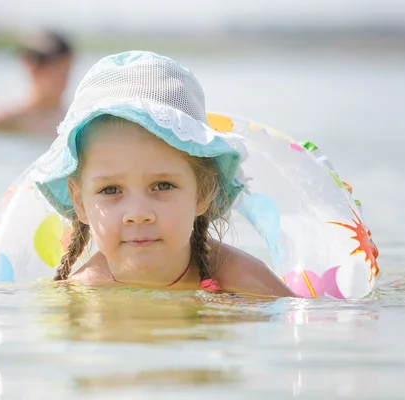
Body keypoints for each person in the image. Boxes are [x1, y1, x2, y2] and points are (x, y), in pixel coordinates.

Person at [34, 51, 295, 298]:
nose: (138, 213)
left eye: (162, 185)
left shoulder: (240, 279)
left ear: (202, 192)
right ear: (79, 201)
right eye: (110, 190)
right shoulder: (82, 294)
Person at [0, 30, 73, 137]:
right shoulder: (8, 120)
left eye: (66, 71)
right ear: (32, 68)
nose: (62, 80)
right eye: (55, 72)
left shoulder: (75, 121)